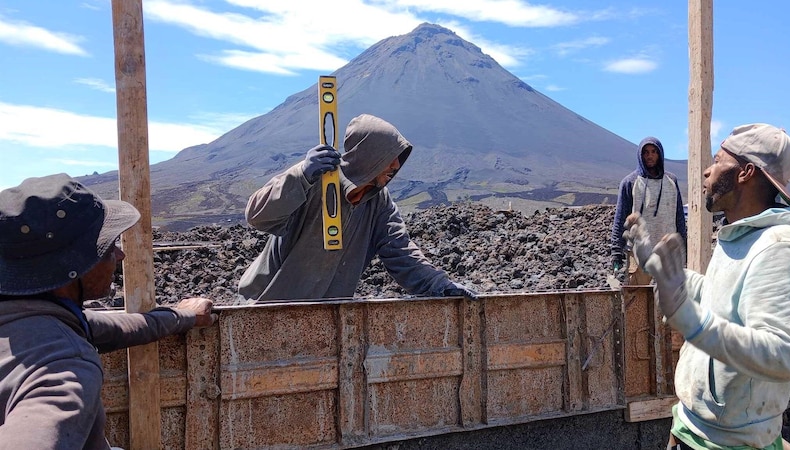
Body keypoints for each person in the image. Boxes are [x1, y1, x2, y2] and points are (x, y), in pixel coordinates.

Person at [0, 173, 217, 450]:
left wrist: (183, 316)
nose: (120, 255)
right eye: (106, 247)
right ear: (74, 265)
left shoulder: (32, 320)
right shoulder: (63, 364)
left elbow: (111, 328)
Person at [625, 123, 790, 449]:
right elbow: (717, 297)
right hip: (694, 428)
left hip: (730, 443)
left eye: (719, 160)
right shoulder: (740, 235)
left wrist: (689, 318)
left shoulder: (778, 246)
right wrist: (655, 265)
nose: (707, 171)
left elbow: (785, 355)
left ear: (746, 172)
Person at [238, 113, 477, 302]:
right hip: (265, 306)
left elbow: (400, 250)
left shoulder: (378, 202)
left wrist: (440, 285)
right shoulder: (314, 183)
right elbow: (258, 216)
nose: (396, 166)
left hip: (323, 317)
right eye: (388, 157)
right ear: (368, 157)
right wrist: (300, 174)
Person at [611, 136, 687, 284]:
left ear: (660, 154)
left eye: (653, 151)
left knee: (667, 302)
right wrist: (616, 251)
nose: (649, 156)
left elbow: (678, 217)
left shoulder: (671, 181)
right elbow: (620, 218)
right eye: (645, 152)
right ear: (640, 155)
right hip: (637, 252)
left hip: (667, 251)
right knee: (637, 300)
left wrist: (684, 245)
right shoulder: (630, 182)